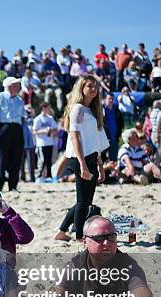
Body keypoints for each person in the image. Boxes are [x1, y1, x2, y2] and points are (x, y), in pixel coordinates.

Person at [55, 76, 109, 242]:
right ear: (81, 88)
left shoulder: (92, 110)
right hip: (80, 158)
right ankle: (79, 237)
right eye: (90, 86)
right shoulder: (77, 109)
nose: (94, 89)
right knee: (82, 200)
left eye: (95, 86)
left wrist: (100, 164)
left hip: (91, 157)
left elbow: (95, 141)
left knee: (86, 200)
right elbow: (75, 138)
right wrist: (83, 165)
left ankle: (62, 231)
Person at [0, 77, 25, 191]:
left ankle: (13, 186)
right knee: (2, 157)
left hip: (17, 127)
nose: (19, 87)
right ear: (10, 86)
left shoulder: (19, 100)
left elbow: (22, 117)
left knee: (16, 157)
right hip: (4, 127)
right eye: (16, 84)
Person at [33, 102, 58, 181]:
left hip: (49, 143)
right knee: (42, 160)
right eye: (48, 108)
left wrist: (52, 132)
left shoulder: (50, 118)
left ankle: (48, 176)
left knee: (49, 161)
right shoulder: (38, 119)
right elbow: (34, 131)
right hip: (41, 143)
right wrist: (43, 131)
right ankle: (39, 176)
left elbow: (55, 129)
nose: (49, 110)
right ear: (43, 108)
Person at [102, 94, 123, 162]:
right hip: (104, 138)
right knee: (102, 159)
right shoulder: (101, 110)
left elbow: (121, 122)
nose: (111, 100)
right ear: (105, 100)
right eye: (109, 99)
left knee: (113, 159)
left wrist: (119, 133)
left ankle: (112, 172)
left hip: (114, 138)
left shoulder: (116, 109)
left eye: (112, 99)